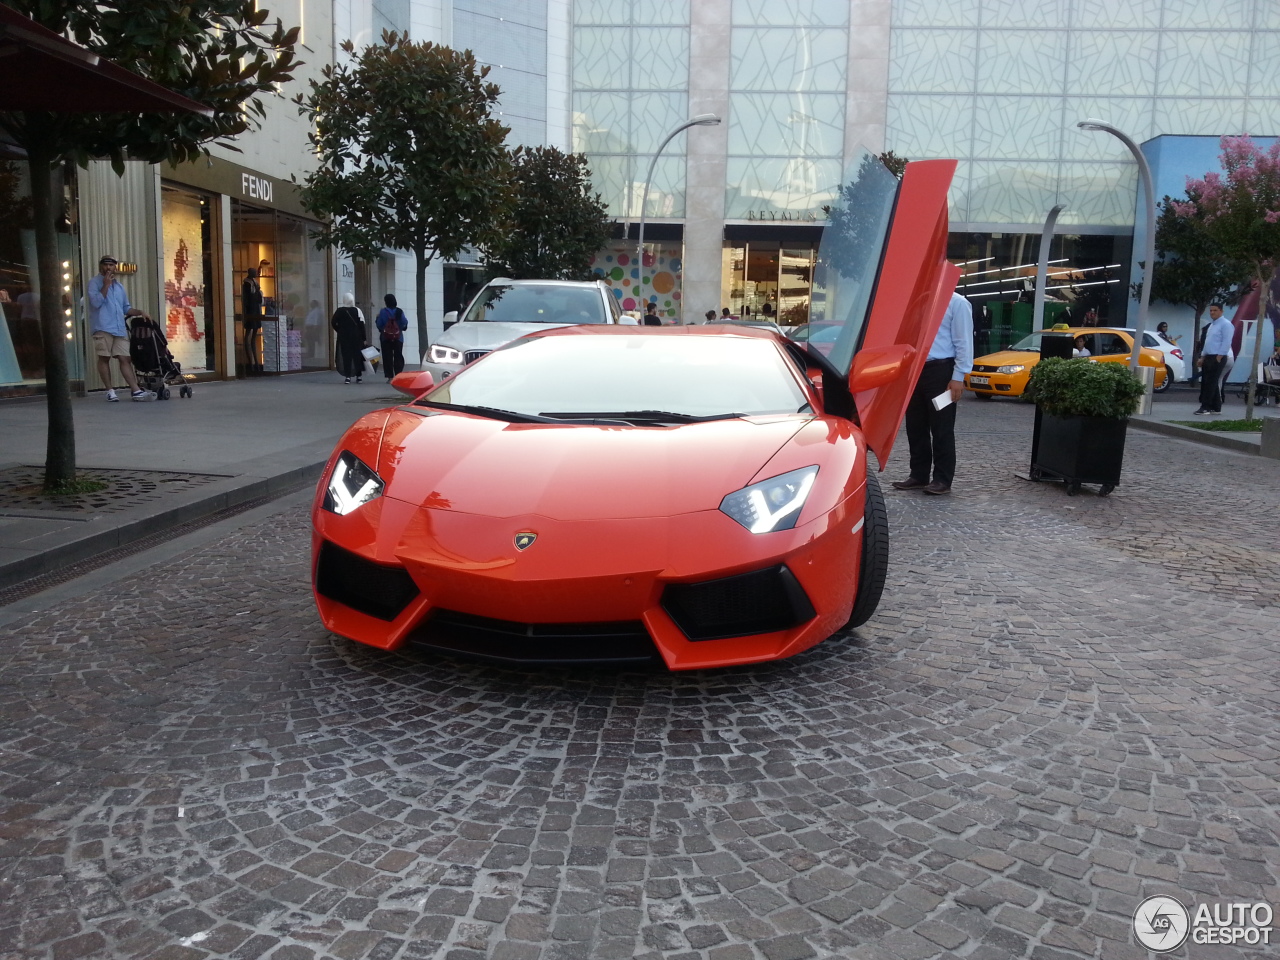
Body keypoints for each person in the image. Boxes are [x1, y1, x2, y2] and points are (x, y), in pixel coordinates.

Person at [892, 291, 974, 495]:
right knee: (915, 425)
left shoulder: (957, 303)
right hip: (914, 371)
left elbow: (964, 341)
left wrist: (958, 376)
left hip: (941, 373)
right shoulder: (918, 301)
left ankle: (942, 479)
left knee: (942, 426)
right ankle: (918, 475)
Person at [87, 255, 154, 401]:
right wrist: (105, 285)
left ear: (115, 267)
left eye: (111, 265)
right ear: (100, 267)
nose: (108, 268)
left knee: (125, 358)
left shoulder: (119, 287)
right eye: (105, 265)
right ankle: (110, 391)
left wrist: (140, 312)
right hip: (103, 326)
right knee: (104, 357)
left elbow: (126, 308)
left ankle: (135, 390)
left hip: (119, 327)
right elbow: (96, 303)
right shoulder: (94, 283)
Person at [1195, 303, 1233, 415]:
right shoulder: (1212, 325)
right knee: (1209, 381)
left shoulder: (1226, 324)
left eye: (1215, 310)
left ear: (1221, 311)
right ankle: (1216, 407)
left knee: (1210, 382)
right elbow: (1207, 343)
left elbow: (1227, 341)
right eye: (1211, 310)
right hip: (1209, 356)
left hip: (1218, 356)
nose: (1212, 312)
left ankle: (1205, 406)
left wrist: (1220, 356)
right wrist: (1202, 357)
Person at [332, 291, 367, 383]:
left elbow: (333, 322)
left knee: (346, 356)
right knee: (357, 356)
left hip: (344, 337)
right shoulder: (357, 310)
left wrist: (339, 330)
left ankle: (348, 376)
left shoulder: (339, 311)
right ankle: (359, 376)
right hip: (357, 337)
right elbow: (361, 325)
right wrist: (364, 338)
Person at [375, 294, 407, 380]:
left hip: (385, 338)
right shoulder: (399, 311)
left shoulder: (383, 312)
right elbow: (404, 323)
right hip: (398, 337)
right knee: (398, 356)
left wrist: (377, 319)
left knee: (387, 357)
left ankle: (389, 377)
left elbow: (379, 324)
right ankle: (398, 375)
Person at [241, 267, 263, 375]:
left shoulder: (255, 282)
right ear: (250, 273)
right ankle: (251, 363)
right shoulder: (247, 283)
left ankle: (256, 363)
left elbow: (258, 298)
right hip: (250, 310)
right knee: (248, 336)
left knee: (253, 336)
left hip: (256, 310)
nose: (256, 273)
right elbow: (247, 299)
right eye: (254, 272)